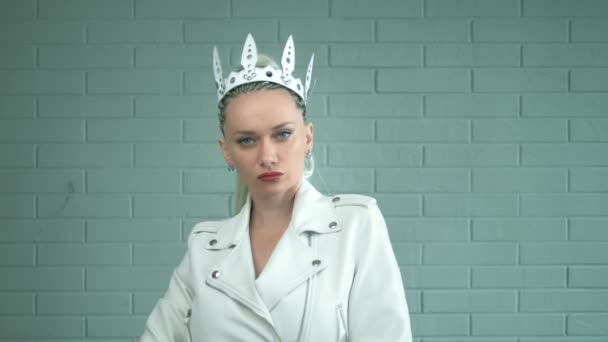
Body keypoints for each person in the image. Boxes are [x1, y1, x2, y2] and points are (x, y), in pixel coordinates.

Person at [140, 33, 412, 341]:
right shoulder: (204, 248)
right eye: (247, 140)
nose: (267, 157)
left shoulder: (355, 225)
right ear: (226, 150)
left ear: (307, 139)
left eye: (282, 135)